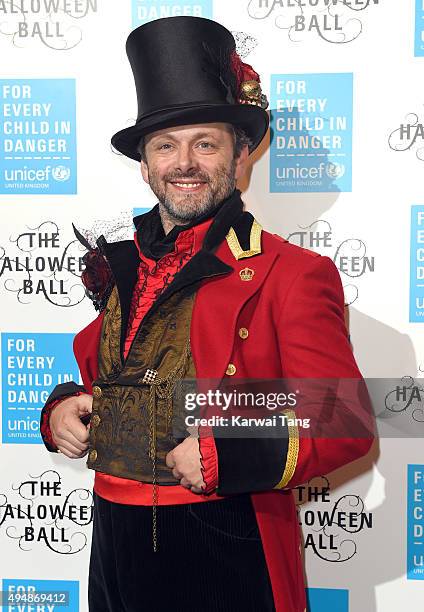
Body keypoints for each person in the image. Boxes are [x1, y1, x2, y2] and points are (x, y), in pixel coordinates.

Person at [39, 16, 374, 612]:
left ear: (240, 156)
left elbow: (344, 417)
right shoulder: (122, 268)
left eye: (206, 143)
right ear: (145, 165)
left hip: (225, 535)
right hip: (113, 533)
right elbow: (114, 382)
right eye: (165, 145)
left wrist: (230, 447)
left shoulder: (294, 273)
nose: (184, 162)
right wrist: (64, 405)